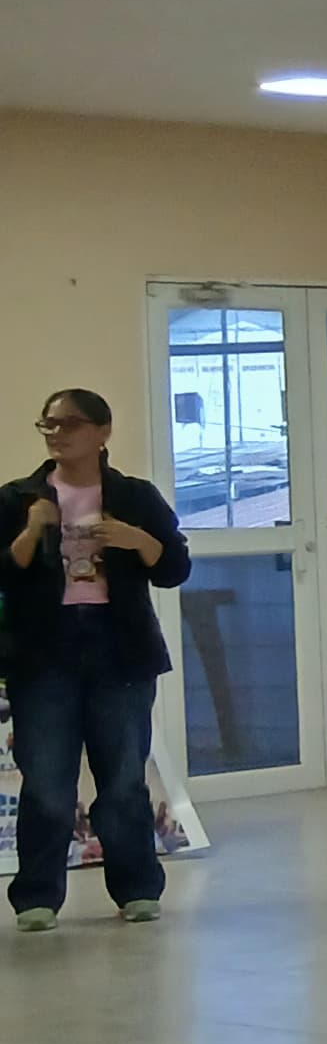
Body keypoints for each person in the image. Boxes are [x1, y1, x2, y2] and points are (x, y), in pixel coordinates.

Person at [2, 390, 190, 931]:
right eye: (49, 425)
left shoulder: (134, 496)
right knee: (47, 783)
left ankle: (137, 889)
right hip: (43, 654)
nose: (57, 434)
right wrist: (32, 530)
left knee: (124, 780)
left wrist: (137, 540)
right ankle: (37, 898)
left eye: (70, 424)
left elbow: (174, 568)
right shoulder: (18, 497)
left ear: (103, 432)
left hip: (120, 651)